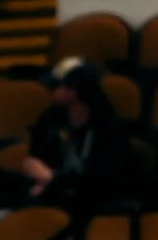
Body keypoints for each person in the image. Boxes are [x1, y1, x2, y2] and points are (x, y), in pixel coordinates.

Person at [24, 64, 130, 221]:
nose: (51, 92)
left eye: (58, 87)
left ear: (73, 92)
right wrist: (35, 169)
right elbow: (35, 157)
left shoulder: (108, 126)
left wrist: (54, 179)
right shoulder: (50, 118)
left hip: (95, 203)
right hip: (57, 195)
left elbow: (104, 181)